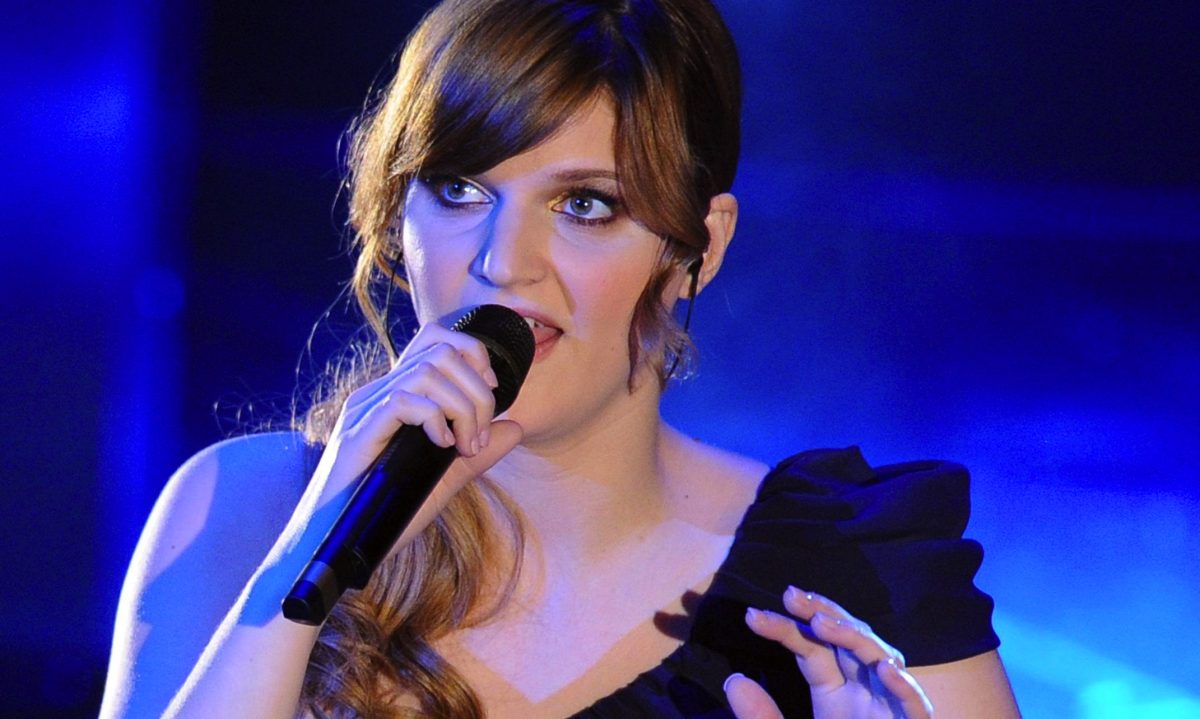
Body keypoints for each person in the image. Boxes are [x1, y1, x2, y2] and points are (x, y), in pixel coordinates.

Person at [101, 0, 1021, 717]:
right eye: (459, 189)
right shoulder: (243, 512)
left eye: (585, 205)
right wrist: (302, 580)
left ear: (698, 248)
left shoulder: (854, 576)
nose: (503, 263)